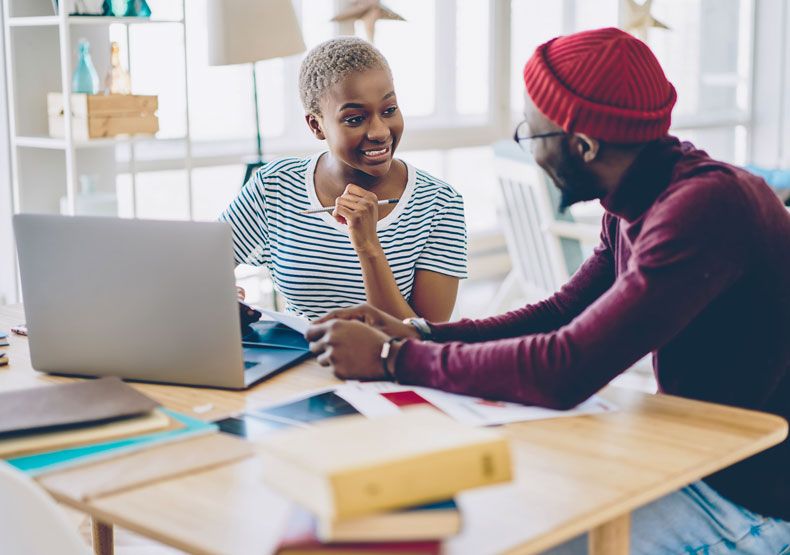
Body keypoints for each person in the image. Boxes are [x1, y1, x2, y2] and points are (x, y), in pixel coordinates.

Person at [305, 27, 790, 554]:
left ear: (583, 144)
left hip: (749, 497)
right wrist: (421, 333)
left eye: (531, 135)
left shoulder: (702, 210)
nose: (527, 149)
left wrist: (392, 357)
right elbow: (563, 313)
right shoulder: (639, 193)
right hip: (697, 455)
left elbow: (567, 366)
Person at [219, 37, 467, 322]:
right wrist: (216, 292)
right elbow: (198, 268)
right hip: (299, 364)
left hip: (389, 366)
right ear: (316, 125)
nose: (380, 132)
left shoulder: (439, 204)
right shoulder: (274, 186)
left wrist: (368, 246)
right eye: (354, 118)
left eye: (389, 110)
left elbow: (427, 341)